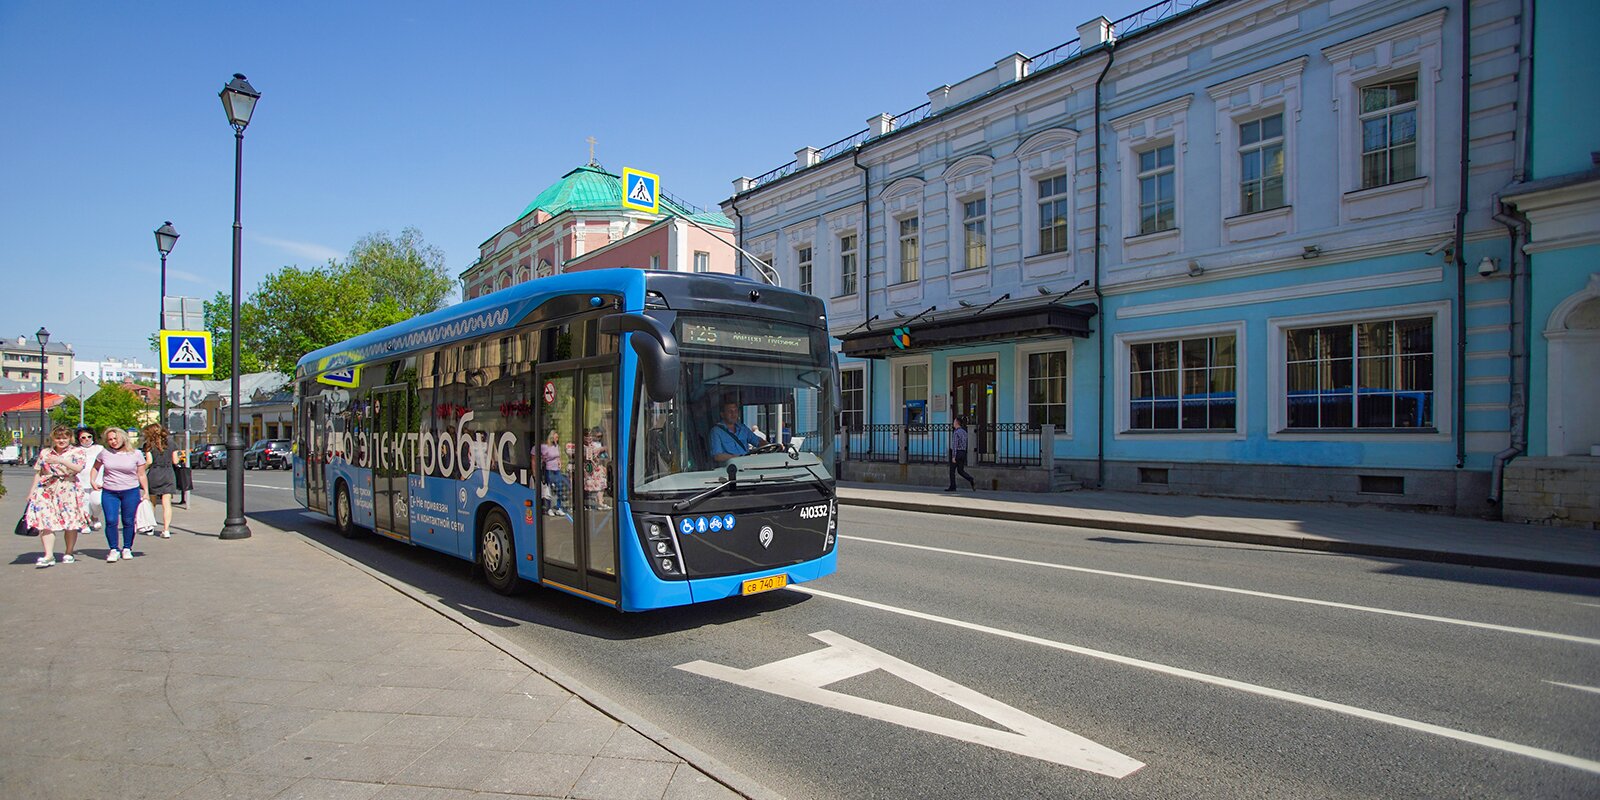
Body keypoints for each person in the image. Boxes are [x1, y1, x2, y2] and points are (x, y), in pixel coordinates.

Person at [24, 426, 91, 567]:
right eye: (58, 438)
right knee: (46, 521)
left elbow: (78, 468)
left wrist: (60, 460)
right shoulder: (45, 452)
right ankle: (48, 555)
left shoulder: (77, 451)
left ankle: (69, 552)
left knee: (70, 521)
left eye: (65, 438)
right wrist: (32, 491)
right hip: (47, 488)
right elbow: (39, 472)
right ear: (53, 438)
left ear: (70, 439)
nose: (61, 440)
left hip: (68, 488)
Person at [92, 427, 147, 562]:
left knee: (128, 521)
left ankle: (127, 548)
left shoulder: (136, 454)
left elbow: (141, 474)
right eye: (110, 439)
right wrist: (92, 480)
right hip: (109, 491)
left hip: (130, 491)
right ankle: (113, 549)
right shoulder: (105, 453)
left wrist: (146, 491)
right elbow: (95, 467)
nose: (113, 442)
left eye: (115, 438)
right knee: (111, 520)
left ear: (123, 438)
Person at [140, 424, 179, 537]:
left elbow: (149, 461)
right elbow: (175, 461)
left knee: (152, 503)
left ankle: (151, 527)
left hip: (154, 474)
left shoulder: (148, 445)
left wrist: (141, 471)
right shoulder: (172, 443)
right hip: (168, 473)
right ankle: (166, 530)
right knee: (166, 504)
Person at [72, 426, 104, 560]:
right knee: (83, 503)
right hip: (81, 481)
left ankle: (95, 517)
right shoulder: (75, 450)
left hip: (97, 481)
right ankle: (84, 522)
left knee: (97, 502)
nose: (86, 440)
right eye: (83, 438)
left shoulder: (99, 449)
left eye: (88, 437)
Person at [538, 429, 569, 517]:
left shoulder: (556, 446)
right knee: (550, 489)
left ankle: (559, 507)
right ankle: (549, 508)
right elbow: (542, 458)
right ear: (552, 437)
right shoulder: (545, 447)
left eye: (557, 437)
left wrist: (559, 463)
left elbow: (558, 456)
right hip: (549, 470)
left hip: (557, 470)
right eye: (556, 437)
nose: (557, 439)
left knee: (559, 488)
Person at [946, 415, 977, 492]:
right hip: (963, 453)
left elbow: (955, 445)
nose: (953, 423)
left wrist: (953, 456)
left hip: (957, 453)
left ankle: (953, 486)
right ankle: (970, 479)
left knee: (952, 471)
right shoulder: (964, 432)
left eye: (954, 421)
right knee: (960, 471)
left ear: (957, 422)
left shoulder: (956, 432)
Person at [583, 427, 609, 509]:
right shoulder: (583, 446)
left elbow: (605, 448)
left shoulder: (594, 445)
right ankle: (589, 503)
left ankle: (600, 502)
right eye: (587, 437)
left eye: (590, 436)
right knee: (589, 485)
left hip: (597, 467)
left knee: (602, 483)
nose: (589, 438)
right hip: (589, 468)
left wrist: (600, 449)